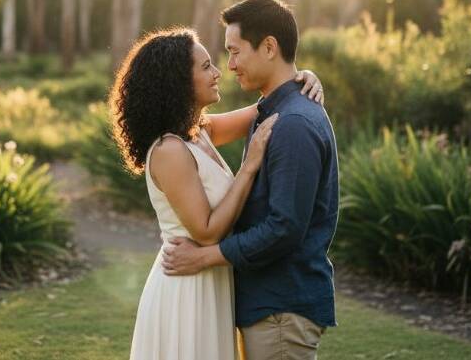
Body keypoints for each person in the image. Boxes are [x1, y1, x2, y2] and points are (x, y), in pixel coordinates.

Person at [109, 25, 325, 360]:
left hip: (212, 281)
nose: (218, 72)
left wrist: (303, 78)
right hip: (186, 287)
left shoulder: (199, 132)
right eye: (206, 66)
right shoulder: (169, 150)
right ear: (178, 82)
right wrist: (249, 166)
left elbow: (269, 107)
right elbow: (207, 232)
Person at [162, 0, 339, 360]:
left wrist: (205, 257)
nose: (229, 66)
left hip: (281, 309)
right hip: (267, 305)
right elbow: (197, 128)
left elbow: (284, 228)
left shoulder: (293, 125)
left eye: (235, 52)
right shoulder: (272, 111)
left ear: (269, 47)